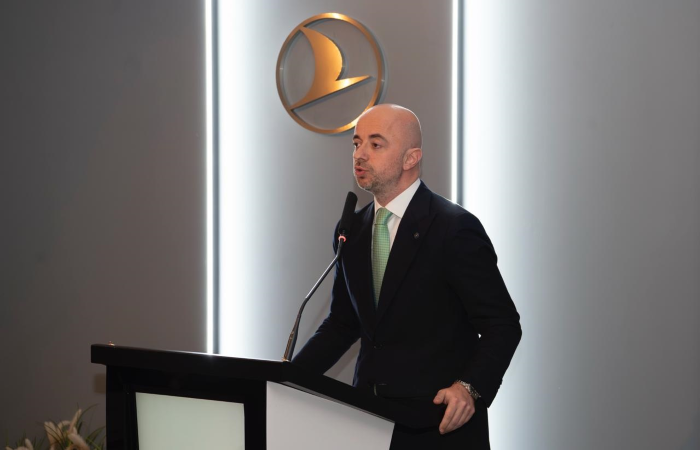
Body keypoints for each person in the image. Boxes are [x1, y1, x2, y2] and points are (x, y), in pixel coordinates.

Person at [293, 104, 521, 449]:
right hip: (367, 420)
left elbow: (501, 324)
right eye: (356, 143)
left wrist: (469, 388)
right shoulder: (352, 229)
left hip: (437, 425)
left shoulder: (453, 228)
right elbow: (342, 323)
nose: (360, 154)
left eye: (375, 144)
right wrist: (287, 379)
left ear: (411, 158)